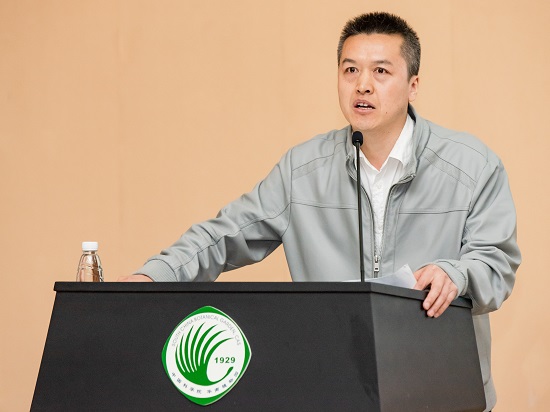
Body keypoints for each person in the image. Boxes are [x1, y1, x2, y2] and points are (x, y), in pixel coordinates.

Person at [119, 12, 520, 410]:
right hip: (335, 388)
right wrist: (154, 276)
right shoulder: (302, 170)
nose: (363, 85)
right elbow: (224, 235)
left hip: (440, 391)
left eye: (381, 71)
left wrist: (456, 274)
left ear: (413, 85)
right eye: (350, 70)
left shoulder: (472, 166)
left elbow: (496, 263)